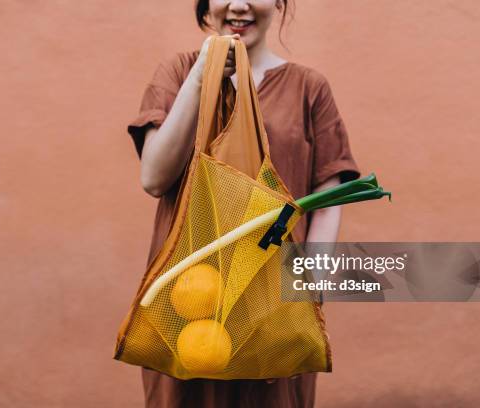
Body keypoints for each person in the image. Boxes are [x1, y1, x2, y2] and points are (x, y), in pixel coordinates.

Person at [126, 1, 361, 407]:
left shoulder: (309, 88)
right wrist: (203, 76)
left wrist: (313, 284)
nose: (238, 4)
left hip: (275, 305)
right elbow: (154, 177)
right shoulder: (178, 74)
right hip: (189, 305)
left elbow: (328, 194)